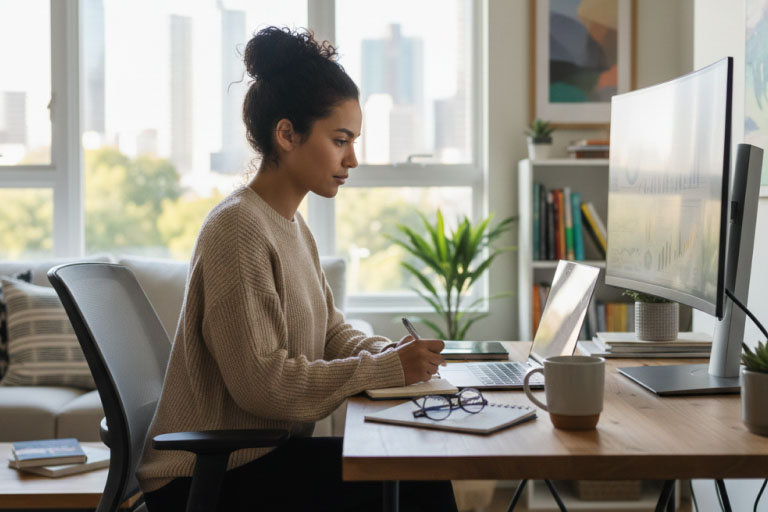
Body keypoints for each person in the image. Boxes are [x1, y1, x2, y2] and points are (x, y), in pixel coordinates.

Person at [137, 26, 458, 512]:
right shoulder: (237, 230)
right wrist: (386, 368)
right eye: (340, 140)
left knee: (418, 469)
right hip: (212, 476)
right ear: (287, 134)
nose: (352, 159)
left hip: (262, 458)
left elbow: (330, 332)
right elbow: (264, 384)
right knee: (419, 479)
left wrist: (389, 353)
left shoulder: (289, 224)